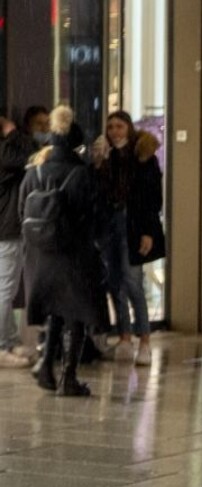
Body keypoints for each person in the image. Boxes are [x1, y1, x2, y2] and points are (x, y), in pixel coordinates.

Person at [19, 107, 109, 396]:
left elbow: (22, 212)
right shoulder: (81, 174)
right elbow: (95, 216)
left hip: (40, 256)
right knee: (76, 313)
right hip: (73, 254)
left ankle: (46, 365)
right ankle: (68, 377)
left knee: (55, 311)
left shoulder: (34, 172)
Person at [93, 110, 164, 366]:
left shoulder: (143, 157)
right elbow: (98, 193)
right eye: (110, 127)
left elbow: (152, 198)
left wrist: (148, 232)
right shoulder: (106, 157)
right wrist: (99, 164)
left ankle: (144, 340)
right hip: (109, 225)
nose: (114, 131)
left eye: (119, 126)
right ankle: (124, 337)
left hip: (132, 225)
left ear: (129, 128)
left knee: (133, 281)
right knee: (114, 282)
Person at [0, 107, 45, 368]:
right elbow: (32, 155)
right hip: (6, 230)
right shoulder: (7, 154)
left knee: (4, 288)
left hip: (6, 229)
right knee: (5, 290)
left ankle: (10, 340)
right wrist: (14, 133)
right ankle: (2, 346)